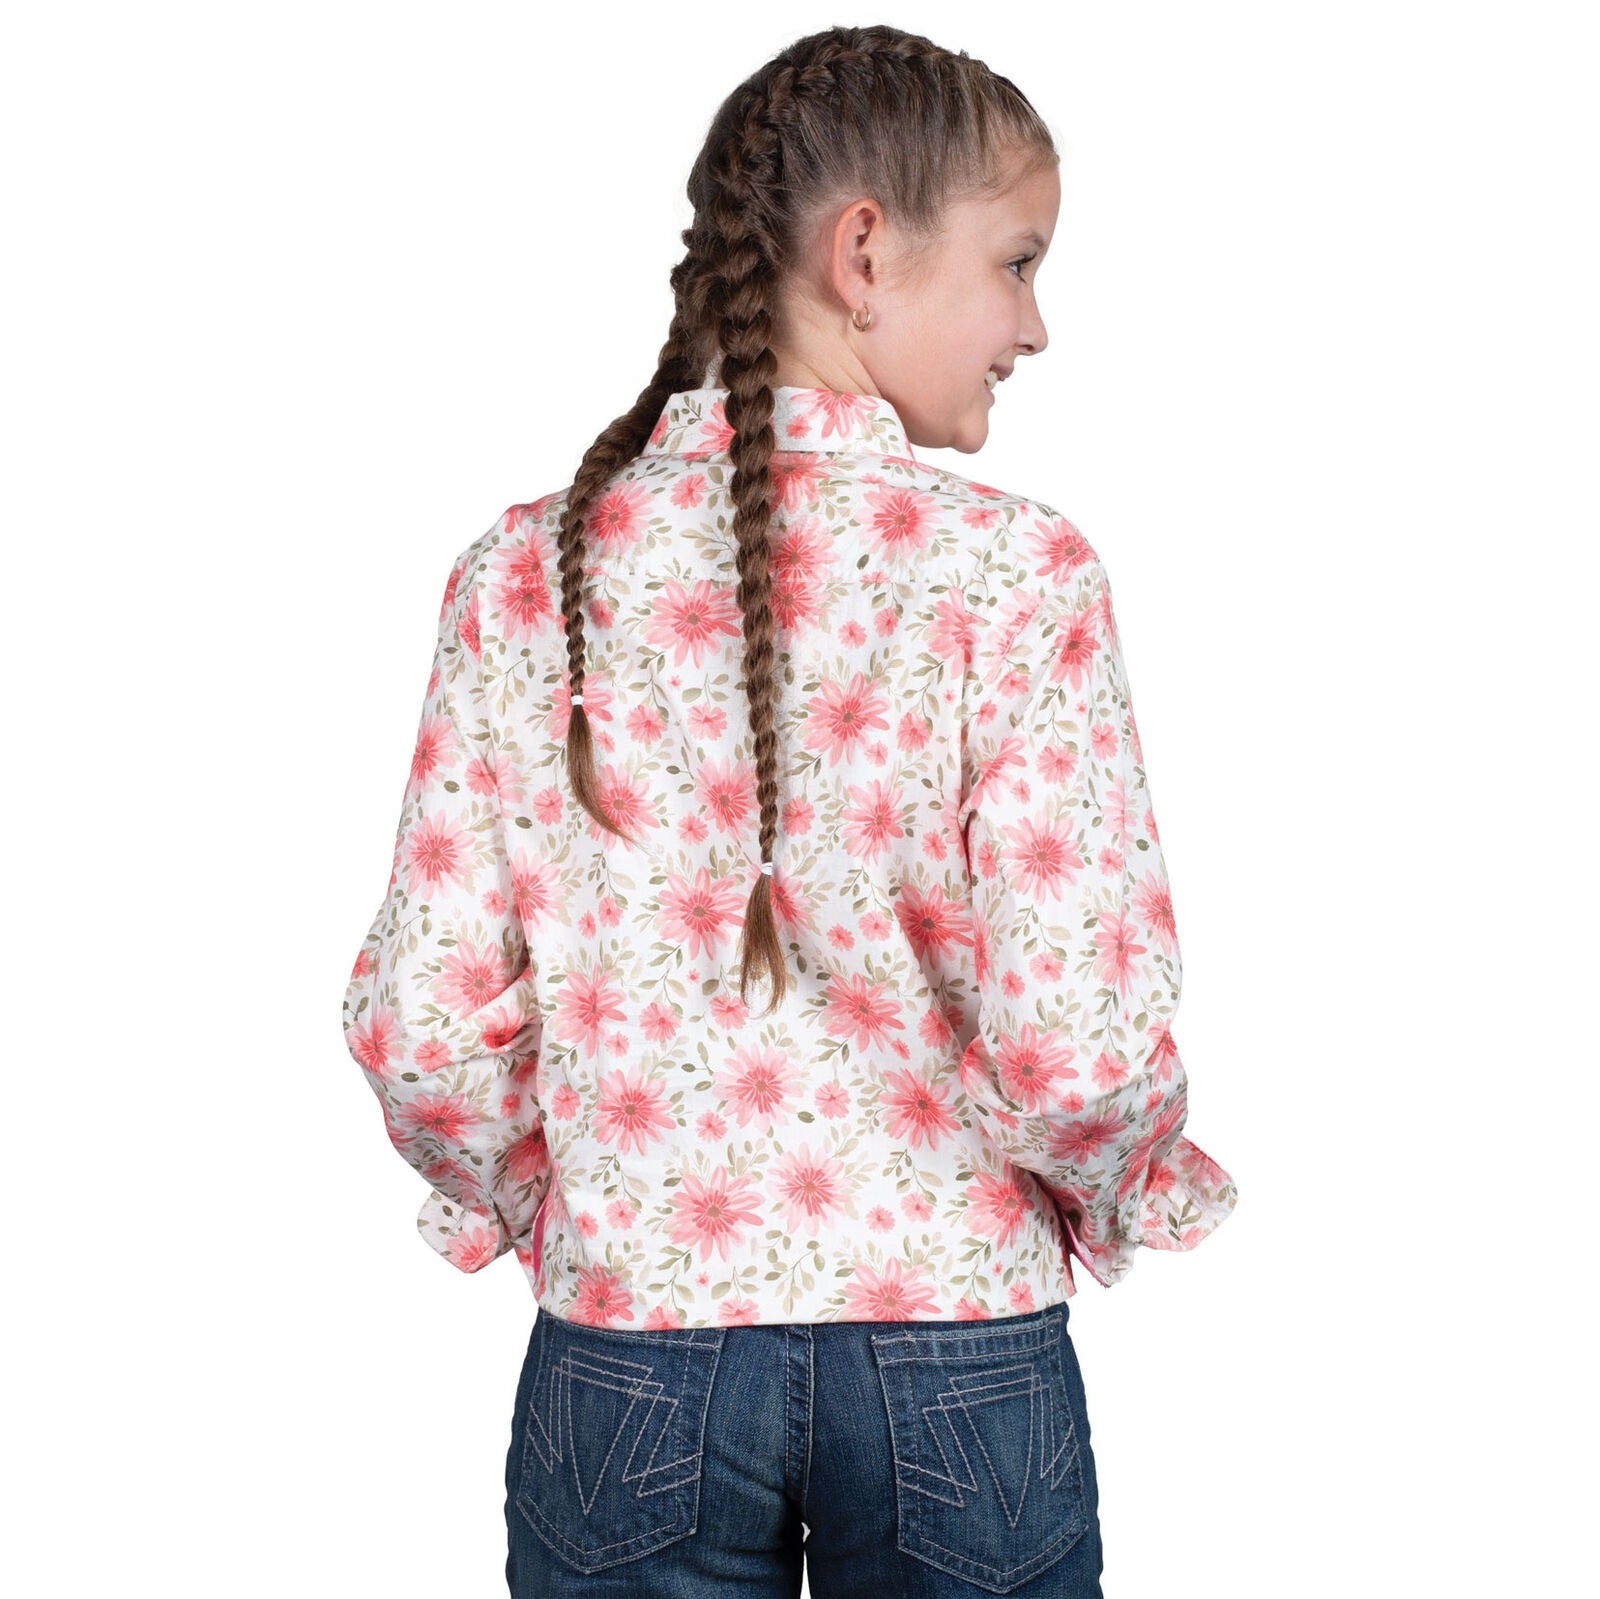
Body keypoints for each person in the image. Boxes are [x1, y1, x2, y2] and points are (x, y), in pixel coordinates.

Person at [340, 23, 1238, 1598]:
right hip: (960, 1351)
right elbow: (1079, 1051)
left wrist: (567, 1206)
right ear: (865, 253)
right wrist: (1121, 1188)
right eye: (1019, 262)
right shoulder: (1016, 577)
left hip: (631, 1350)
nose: (1037, 326)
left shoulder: (521, 577)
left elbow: (426, 1035)